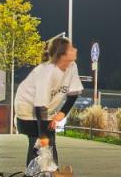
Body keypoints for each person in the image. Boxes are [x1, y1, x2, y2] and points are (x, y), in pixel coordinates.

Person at [14, 36, 84, 167]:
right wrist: (43, 136)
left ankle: (50, 172)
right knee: (40, 142)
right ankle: (34, 173)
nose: (75, 49)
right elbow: (39, 106)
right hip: (27, 107)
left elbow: (73, 93)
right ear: (61, 54)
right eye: (70, 48)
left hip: (46, 109)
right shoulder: (45, 72)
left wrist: (62, 113)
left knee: (50, 145)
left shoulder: (72, 66)